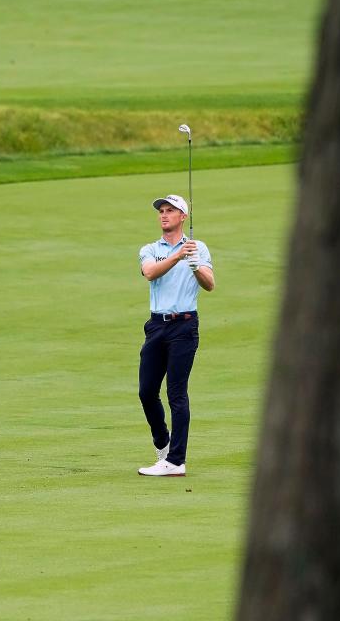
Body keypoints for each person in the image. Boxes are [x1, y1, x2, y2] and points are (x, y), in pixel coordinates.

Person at [136, 194, 214, 477]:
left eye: (171, 211)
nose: (164, 215)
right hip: (157, 326)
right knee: (146, 391)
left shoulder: (198, 248)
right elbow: (150, 273)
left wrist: (195, 265)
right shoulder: (150, 249)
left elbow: (210, 284)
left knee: (176, 393)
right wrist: (178, 256)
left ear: (183, 217)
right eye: (161, 211)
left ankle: (177, 461)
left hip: (184, 326)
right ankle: (163, 447)